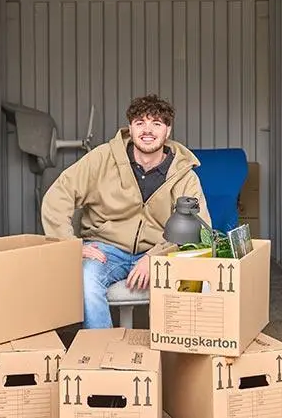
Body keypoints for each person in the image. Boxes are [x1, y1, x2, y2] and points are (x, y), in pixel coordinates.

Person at [40, 94, 210, 329]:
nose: (147, 130)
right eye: (140, 123)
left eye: (157, 124)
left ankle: (176, 357)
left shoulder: (183, 174)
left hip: (158, 250)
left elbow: (197, 228)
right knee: (86, 279)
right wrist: (71, 244)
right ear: (130, 127)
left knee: (200, 282)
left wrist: (155, 256)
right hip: (106, 249)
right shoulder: (102, 158)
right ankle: (103, 355)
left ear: (168, 131)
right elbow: (57, 196)